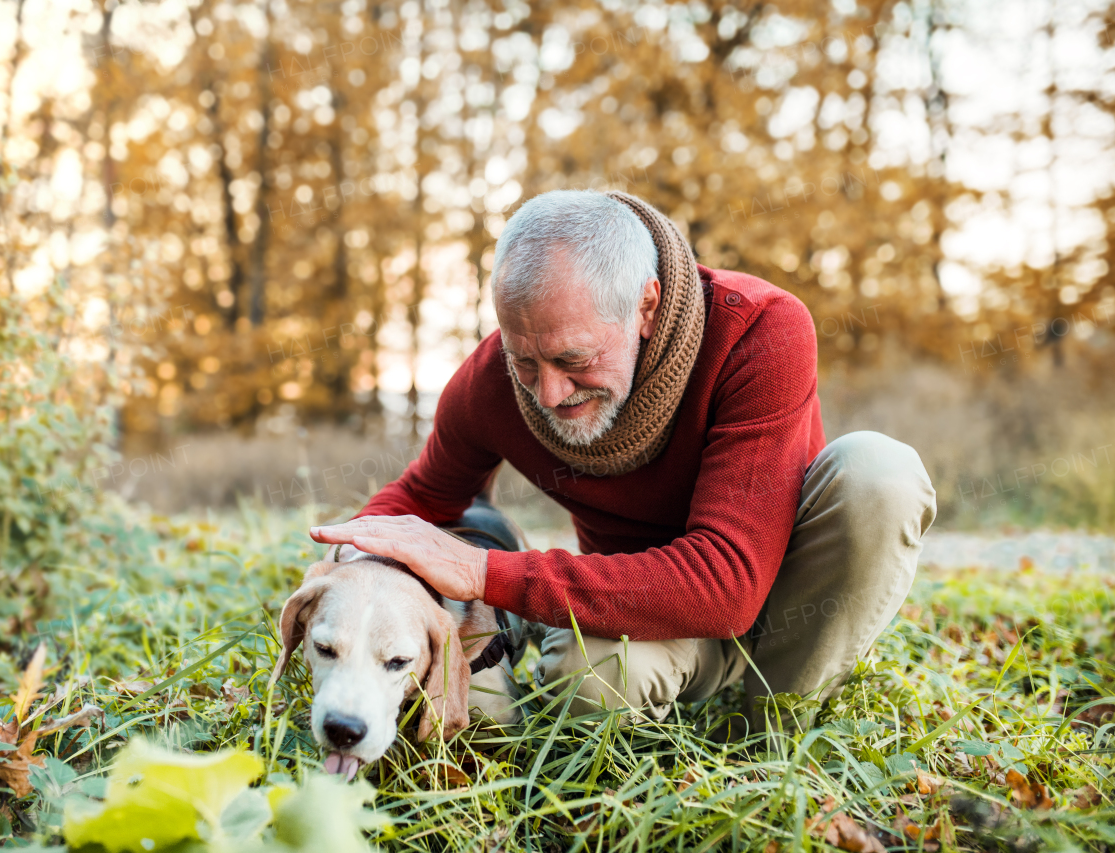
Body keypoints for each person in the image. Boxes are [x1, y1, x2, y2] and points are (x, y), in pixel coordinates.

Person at [311, 190, 936, 734]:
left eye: (573, 360)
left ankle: (775, 728)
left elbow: (728, 586)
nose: (548, 393)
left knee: (879, 473)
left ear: (646, 306)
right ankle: (663, 706)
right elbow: (421, 497)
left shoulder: (760, 330)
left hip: (786, 602)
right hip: (645, 618)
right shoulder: (491, 383)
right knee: (584, 680)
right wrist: (347, 571)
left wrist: (482, 571)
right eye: (525, 362)